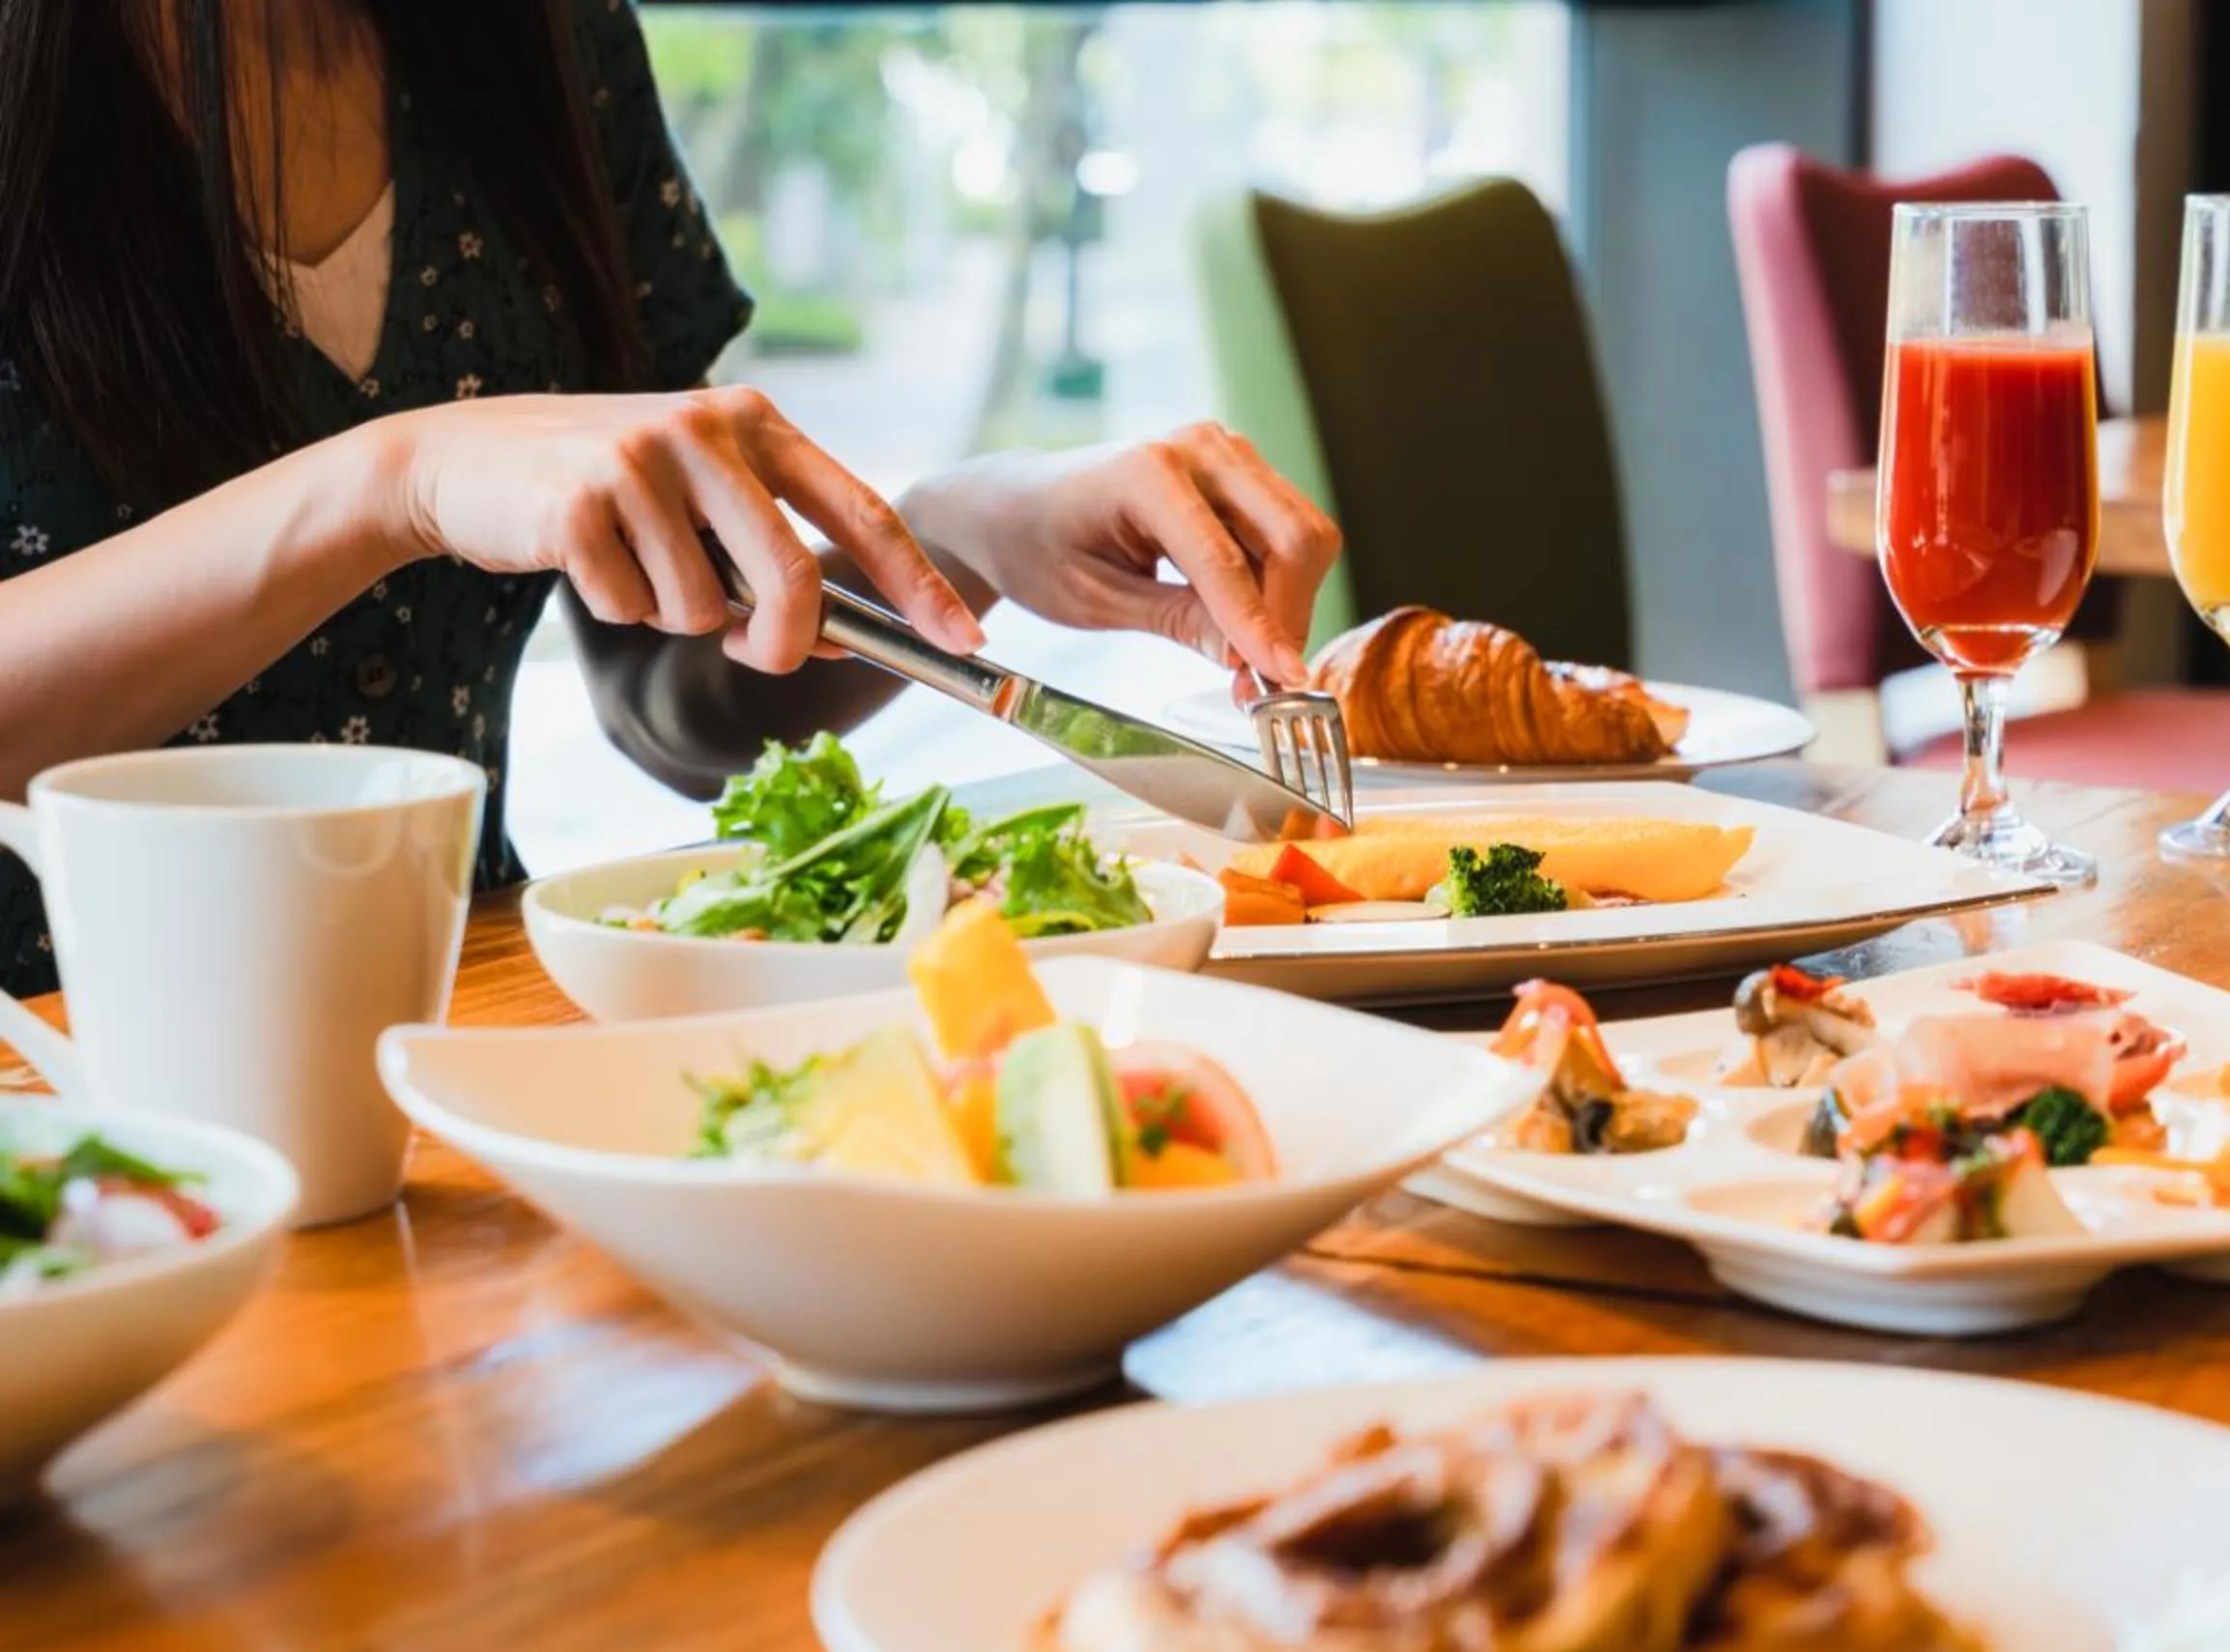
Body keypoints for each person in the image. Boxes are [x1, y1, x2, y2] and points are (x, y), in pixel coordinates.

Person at [0, 0, 1338, 992]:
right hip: (54, 1080)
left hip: (451, 1024)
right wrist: (388, 481)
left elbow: (670, 703)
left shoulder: (545, 41)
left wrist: (964, 535)